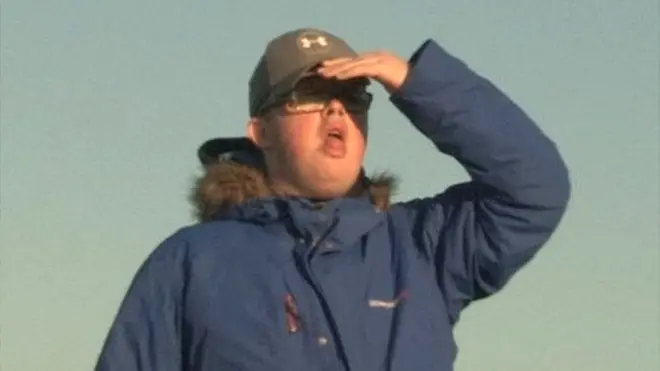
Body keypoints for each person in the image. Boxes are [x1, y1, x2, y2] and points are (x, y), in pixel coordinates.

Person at [95, 27, 571, 371]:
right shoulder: (190, 262)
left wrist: (415, 82)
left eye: (354, 95)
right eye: (312, 94)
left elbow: (534, 188)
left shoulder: (421, 250)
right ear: (261, 131)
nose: (337, 109)